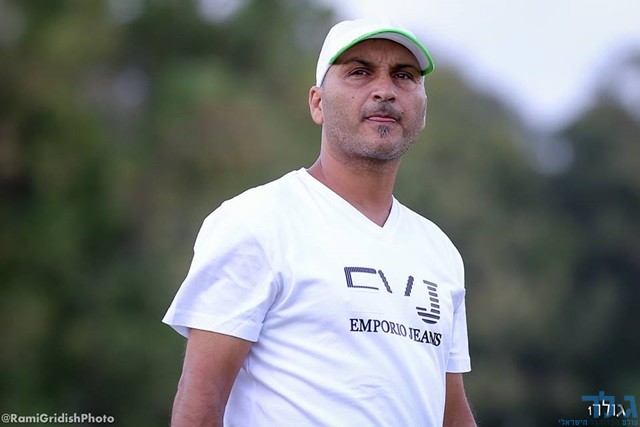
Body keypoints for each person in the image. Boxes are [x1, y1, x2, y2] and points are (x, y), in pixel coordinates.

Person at [163, 17, 476, 427]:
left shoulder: (439, 251)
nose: (385, 90)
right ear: (317, 103)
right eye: (360, 72)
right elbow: (200, 402)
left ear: (423, 108)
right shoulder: (256, 221)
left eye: (404, 76)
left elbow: (451, 411)